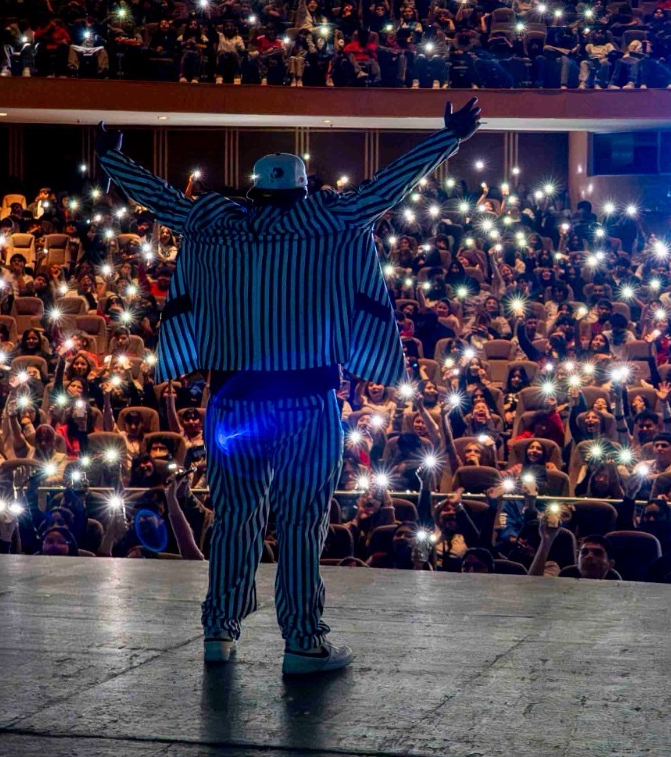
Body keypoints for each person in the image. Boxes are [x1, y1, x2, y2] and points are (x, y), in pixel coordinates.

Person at [98, 99, 482, 676]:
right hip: (308, 401)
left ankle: (219, 631)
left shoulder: (214, 223)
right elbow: (389, 187)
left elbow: (161, 199)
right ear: (303, 189)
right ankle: (303, 641)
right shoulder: (330, 220)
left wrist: (111, 158)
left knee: (235, 518)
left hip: (232, 401)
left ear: (254, 190)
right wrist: (449, 137)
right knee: (302, 522)